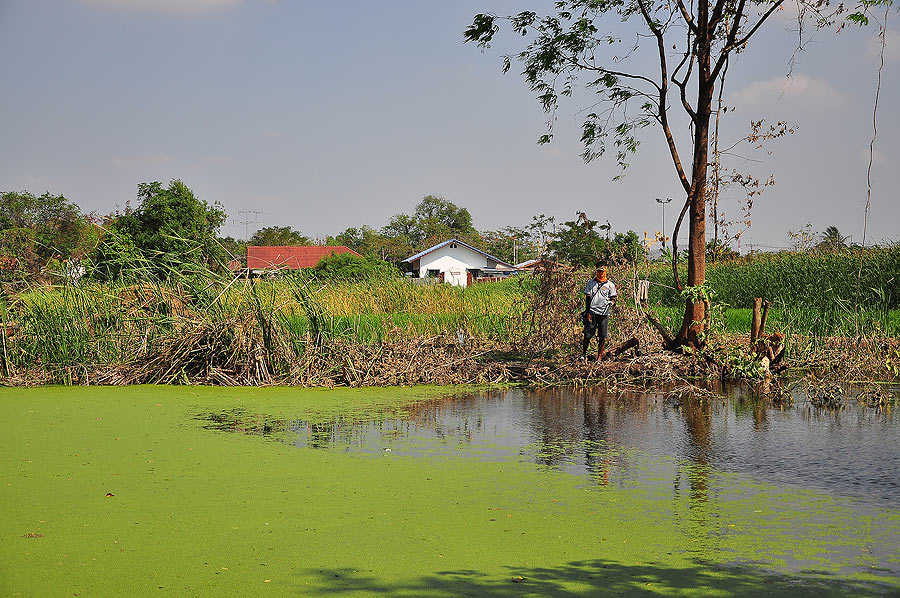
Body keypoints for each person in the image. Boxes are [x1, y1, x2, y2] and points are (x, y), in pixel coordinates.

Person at [581, 263, 617, 361]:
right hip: (592, 312)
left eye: (602, 272)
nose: (600, 274)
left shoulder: (610, 285)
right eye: (598, 271)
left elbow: (613, 298)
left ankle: (599, 358)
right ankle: (583, 354)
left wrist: (611, 303)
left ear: (605, 272)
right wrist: (588, 312)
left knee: (602, 336)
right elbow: (587, 298)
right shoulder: (591, 283)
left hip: (604, 314)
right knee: (587, 335)